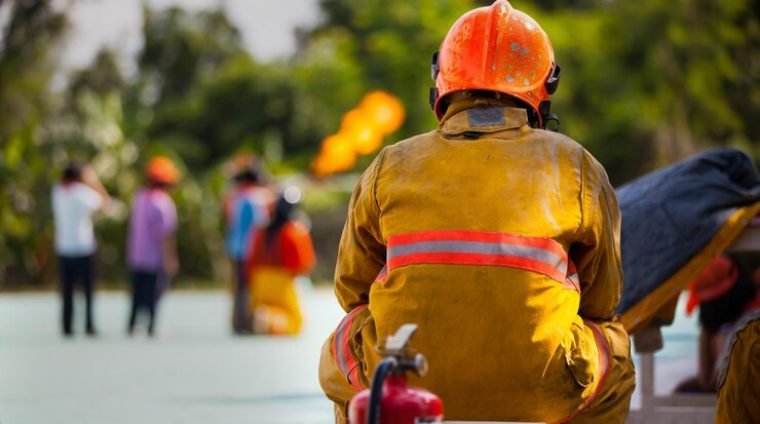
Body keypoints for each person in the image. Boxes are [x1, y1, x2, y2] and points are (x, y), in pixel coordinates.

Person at [318, 1, 635, 422]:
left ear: (443, 82)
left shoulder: (390, 164)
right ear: (545, 86)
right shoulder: (577, 166)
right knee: (614, 346)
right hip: (543, 392)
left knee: (345, 343)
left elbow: (351, 291)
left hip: (406, 383)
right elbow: (603, 298)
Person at [673, 254, 758, 394]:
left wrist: (713, 341)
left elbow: (713, 383)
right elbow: (707, 382)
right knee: (681, 390)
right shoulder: (732, 323)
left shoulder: (748, 323)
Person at [246, 188, 315, 335]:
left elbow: (252, 258)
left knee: (273, 308)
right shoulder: (294, 231)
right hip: (282, 280)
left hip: (261, 278)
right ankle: (269, 320)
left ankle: (266, 315)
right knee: (295, 323)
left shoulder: (261, 231)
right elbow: (303, 263)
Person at [51, 162, 110, 336]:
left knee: (67, 290)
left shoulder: (57, 191)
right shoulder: (82, 193)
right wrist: (93, 181)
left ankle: (67, 326)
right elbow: (105, 203)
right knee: (88, 290)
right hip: (84, 248)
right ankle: (89, 325)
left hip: (64, 248)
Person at [126, 156, 180, 337]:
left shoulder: (140, 197)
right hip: (154, 257)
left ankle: (132, 324)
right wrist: (170, 258)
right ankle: (151, 325)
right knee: (154, 293)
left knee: (136, 293)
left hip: (137, 255)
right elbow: (166, 234)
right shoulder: (163, 202)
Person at [222, 154, 272, 334]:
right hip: (249, 250)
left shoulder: (235, 197)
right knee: (248, 288)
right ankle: (246, 321)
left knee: (238, 287)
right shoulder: (255, 198)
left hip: (234, 247)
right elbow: (261, 225)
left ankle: (237, 321)